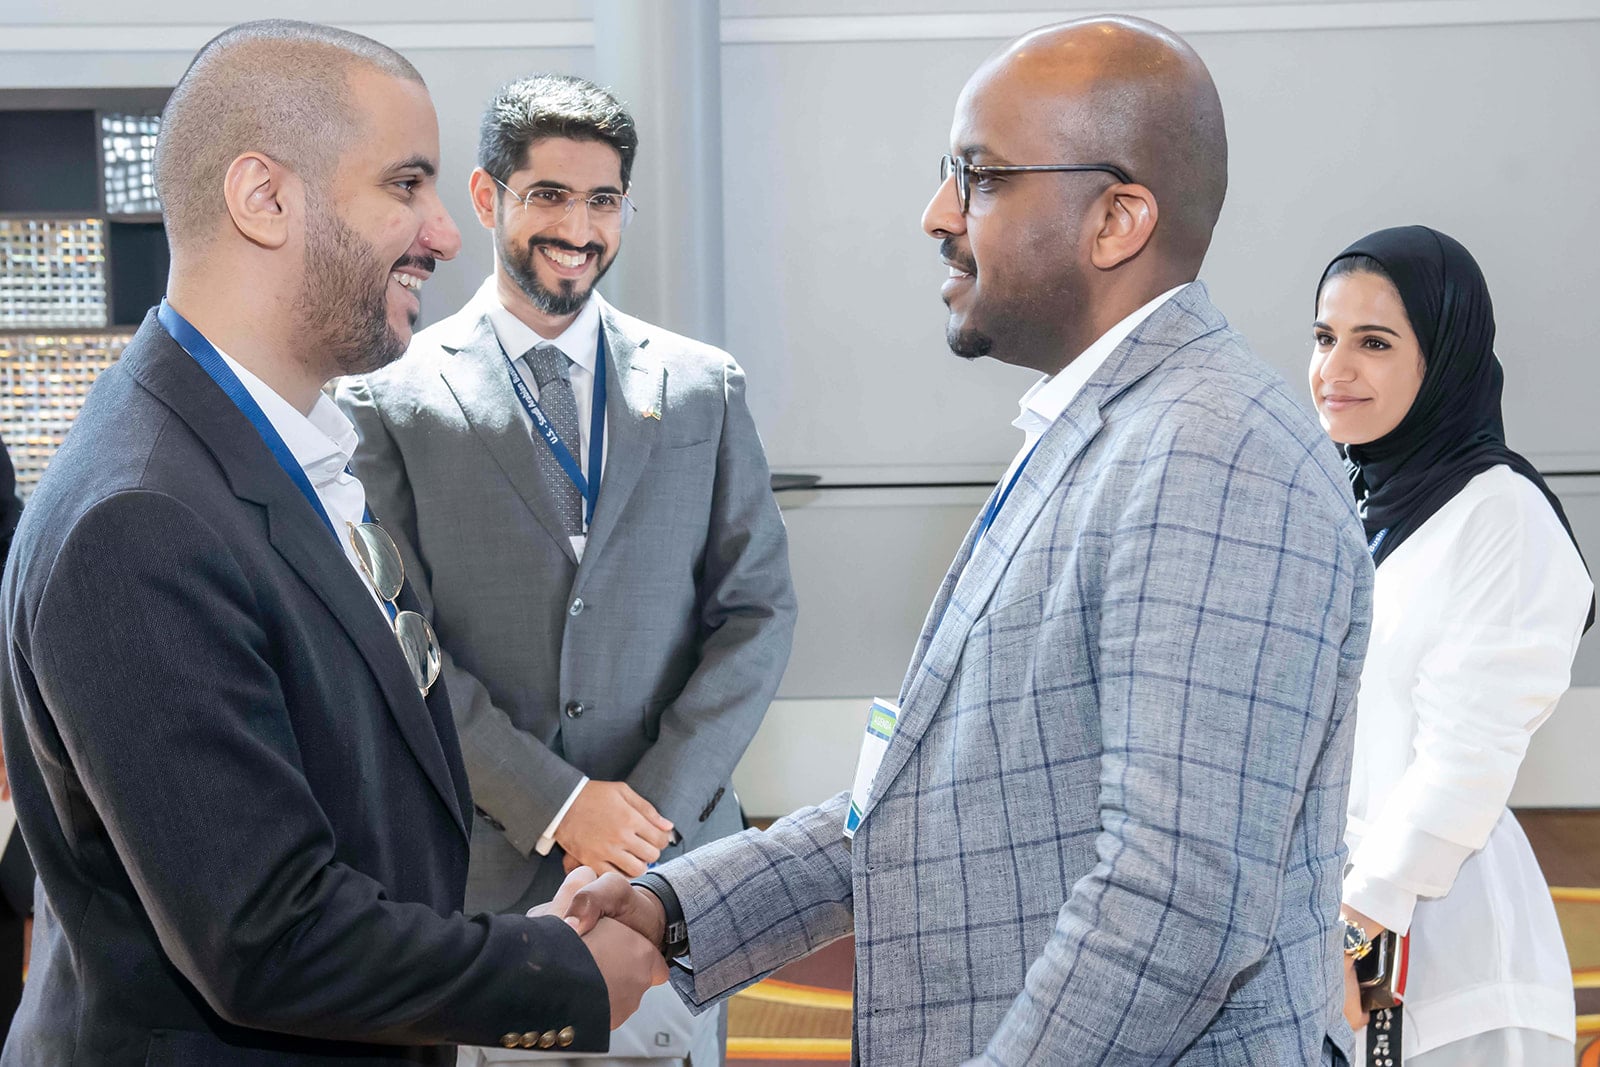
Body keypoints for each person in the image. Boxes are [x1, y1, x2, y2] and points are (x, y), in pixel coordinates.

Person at [565, 16, 1372, 1066]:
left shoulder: (1212, 453)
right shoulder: (1107, 431)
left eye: (980, 177)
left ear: (1117, 219)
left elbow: (1173, 902)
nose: (937, 213)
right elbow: (932, 798)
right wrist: (671, 909)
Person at [0, 21, 664, 1065]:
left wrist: (506, 935)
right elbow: (268, 935)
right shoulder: (139, 515)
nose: (446, 234)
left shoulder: (276, 447)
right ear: (264, 198)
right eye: (405, 184)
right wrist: (555, 974)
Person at [337, 73, 795, 1067]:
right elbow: (397, 640)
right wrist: (556, 801)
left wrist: (640, 818)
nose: (579, 229)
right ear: (487, 195)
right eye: (549, 195)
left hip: (675, 869)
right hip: (487, 877)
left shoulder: (702, 386)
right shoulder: (386, 400)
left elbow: (757, 613)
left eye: (603, 200)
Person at [1312, 226, 1594, 1066]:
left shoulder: (1503, 513)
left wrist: (1357, 925)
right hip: (1346, 931)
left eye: (1374, 343)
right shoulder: (1361, 506)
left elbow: (1465, 758)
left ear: (1444, 359)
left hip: (1444, 949)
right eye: (1325, 337)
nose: (1335, 369)